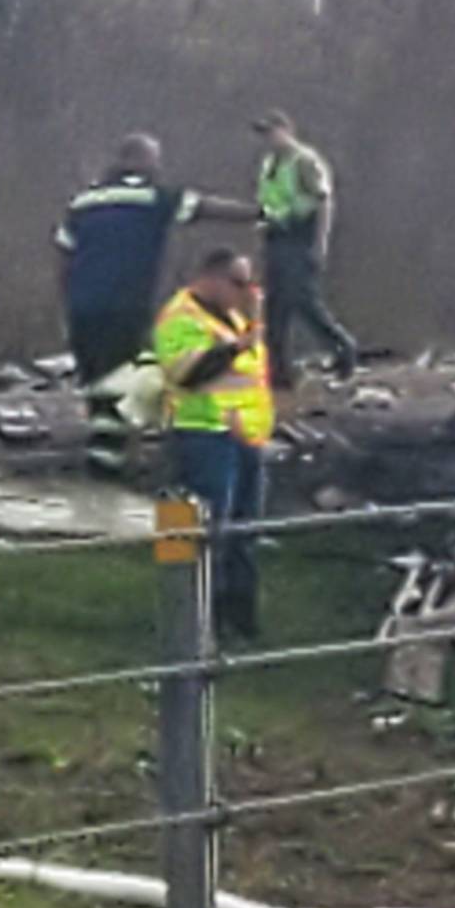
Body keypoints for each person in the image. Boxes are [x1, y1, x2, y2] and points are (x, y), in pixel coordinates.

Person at [55, 133, 255, 477]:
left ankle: (104, 456)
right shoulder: (154, 197)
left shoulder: (83, 202)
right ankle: (107, 468)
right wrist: (262, 213)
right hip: (125, 305)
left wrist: (66, 300)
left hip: (82, 307)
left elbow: (62, 254)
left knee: (99, 386)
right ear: (140, 161)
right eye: (153, 159)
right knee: (127, 385)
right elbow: (207, 208)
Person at [155, 247, 274, 640]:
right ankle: (196, 625)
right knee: (206, 536)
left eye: (249, 284)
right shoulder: (181, 318)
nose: (246, 292)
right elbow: (188, 374)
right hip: (202, 436)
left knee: (244, 532)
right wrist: (238, 347)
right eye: (238, 283)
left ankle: (239, 618)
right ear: (210, 278)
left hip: (242, 437)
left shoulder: (236, 319)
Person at [253, 109, 357, 392]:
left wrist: (319, 244)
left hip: (300, 235)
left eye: (272, 131)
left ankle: (343, 350)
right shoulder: (269, 164)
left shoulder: (304, 161)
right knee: (275, 308)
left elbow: (324, 202)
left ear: (287, 129)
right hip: (275, 236)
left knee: (303, 300)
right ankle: (279, 372)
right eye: (264, 134)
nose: (269, 139)